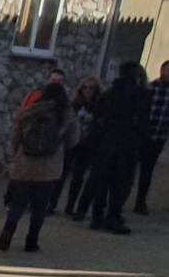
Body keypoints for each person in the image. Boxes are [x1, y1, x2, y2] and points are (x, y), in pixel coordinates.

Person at [0, 81, 77, 253]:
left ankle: (8, 231)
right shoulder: (66, 114)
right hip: (49, 169)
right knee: (40, 207)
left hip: (24, 166)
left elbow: (15, 137)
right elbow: (73, 140)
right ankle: (31, 241)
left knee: (17, 204)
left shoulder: (29, 111)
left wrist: (16, 155)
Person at [73, 60, 148, 234]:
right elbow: (143, 124)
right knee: (121, 184)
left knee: (102, 182)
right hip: (127, 147)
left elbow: (98, 120)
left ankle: (97, 217)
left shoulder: (108, 94)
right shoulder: (140, 96)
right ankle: (113, 216)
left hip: (105, 146)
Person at [55, 76, 100, 215]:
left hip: (88, 145)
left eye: (91, 88)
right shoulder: (74, 104)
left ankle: (70, 206)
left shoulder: (99, 106)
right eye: (84, 87)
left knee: (78, 177)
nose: (87, 91)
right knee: (61, 175)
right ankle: (52, 204)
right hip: (71, 144)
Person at [134, 59, 169, 215]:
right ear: (162, 71)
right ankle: (117, 200)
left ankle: (140, 202)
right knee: (127, 169)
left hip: (158, 137)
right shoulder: (150, 89)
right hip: (141, 136)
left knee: (147, 172)